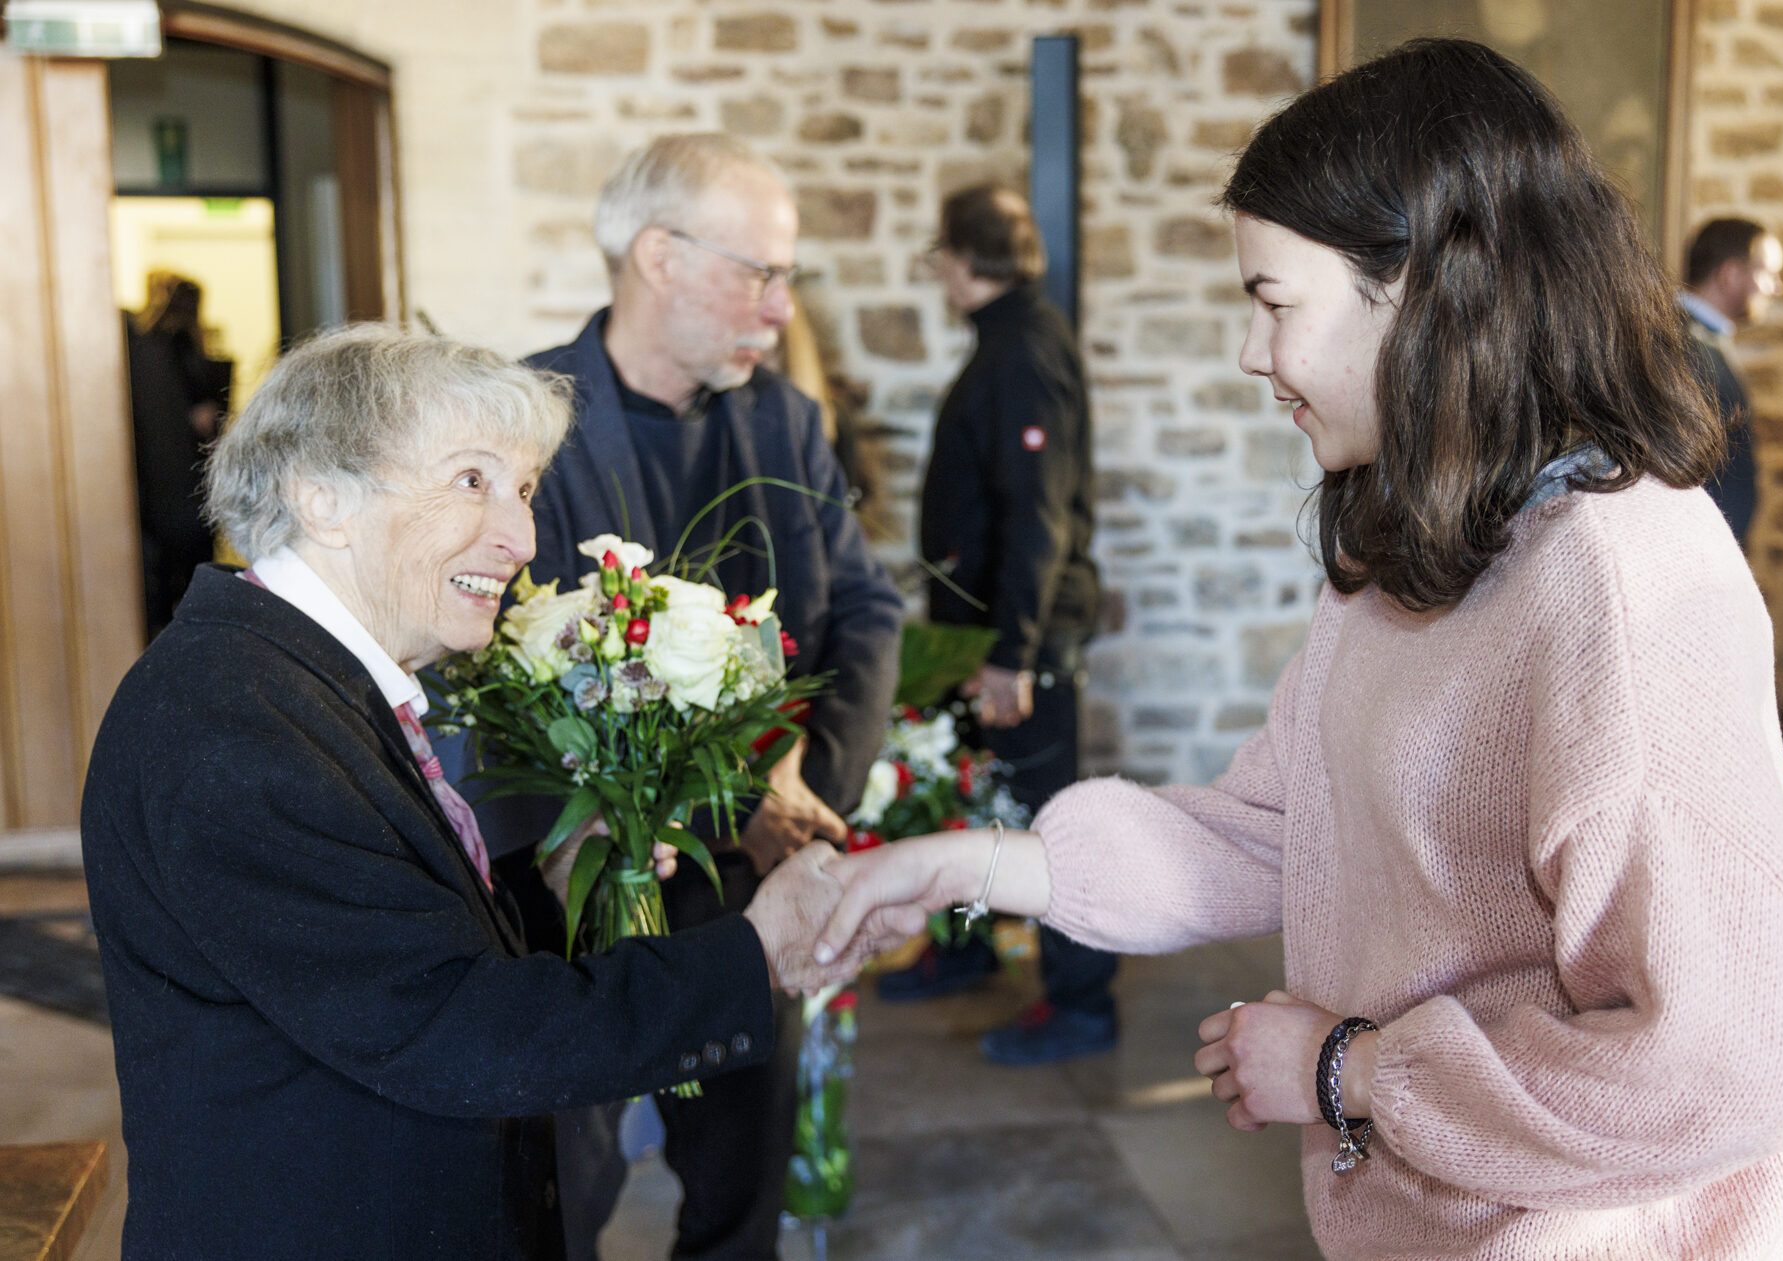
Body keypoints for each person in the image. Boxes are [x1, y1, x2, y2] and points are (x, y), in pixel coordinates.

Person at [815, 39, 1783, 1258]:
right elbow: (1277, 830)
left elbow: (1714, 1072)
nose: (1252, 354)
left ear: (1426, 294)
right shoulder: (1412, 545)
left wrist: (1354, 1069)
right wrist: (957, 866)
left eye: (1273, 302)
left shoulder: (1623, 587)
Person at [80, 325, 898, 1260]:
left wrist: (546, 899)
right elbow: (454, 1030)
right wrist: (759, 953)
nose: (523, 537)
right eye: (473, 480)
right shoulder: (232, 725)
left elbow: (392, 962)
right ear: (320, 494)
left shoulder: (294, 681)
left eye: (525, 488)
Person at [483, 133, 903, 1261]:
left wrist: (803, 789)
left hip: (744, 902)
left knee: (739, 1202)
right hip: (574, 907)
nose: (779, 307)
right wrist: (710, 806)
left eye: (788, 278)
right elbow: (487, 671)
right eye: (759, 272)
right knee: (558, 1205)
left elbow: (865, 612)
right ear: (658, 256)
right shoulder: (523, 427)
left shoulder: (784, 423)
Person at [875, 184, 1111, 1068]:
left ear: (966, 261)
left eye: (940, 251)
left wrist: (1012, 654)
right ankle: (968, 948)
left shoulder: (1021, 352)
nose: (936, 269)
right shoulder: (1012, 339)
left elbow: (1037, 516)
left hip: (1018, 642)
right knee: (975, 799)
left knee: (1050, 823)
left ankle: (1083, 1002)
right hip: (981, 638)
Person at [125, 273, 232, 638]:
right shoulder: (185, 351)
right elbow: (206, 420)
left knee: (157, 584)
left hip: (152, 491)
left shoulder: (136, 347)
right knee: (190, 581)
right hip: (186, 486)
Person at [1680, 217, 1783, 545]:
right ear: (1730, 274)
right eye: (1767, 273)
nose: (1776, 287)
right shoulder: (1683, 345)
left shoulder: (1704, 339)